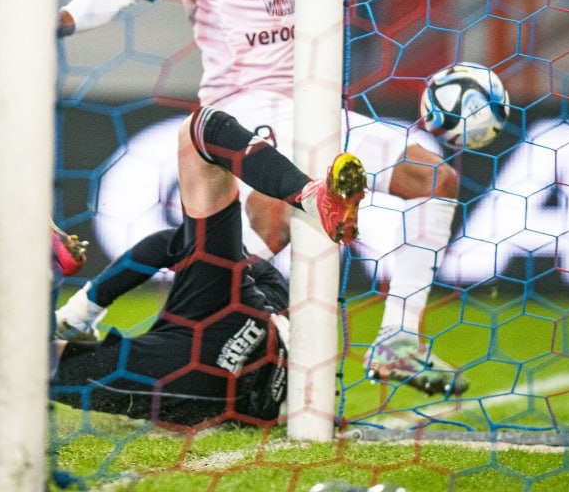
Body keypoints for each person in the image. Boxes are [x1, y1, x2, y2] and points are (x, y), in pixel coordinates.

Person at [58, 0, 508, 397]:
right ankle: (116, 327)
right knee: (248, 238)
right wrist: (64, 20)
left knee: (434, 178)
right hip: (243, 108)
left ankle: (397, 341)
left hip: (313, 104)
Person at [50, 107, 367, 427]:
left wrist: (77, 315)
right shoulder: (262, 278)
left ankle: (54, 285)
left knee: (22, 359)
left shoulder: (248, 276)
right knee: (201, 129)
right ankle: (310, 196)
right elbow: (166, 244)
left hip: (196, 383)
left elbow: (163, 244)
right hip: (259, 363)